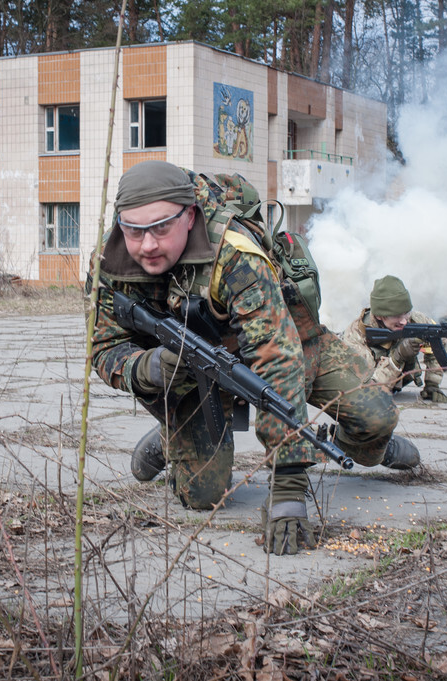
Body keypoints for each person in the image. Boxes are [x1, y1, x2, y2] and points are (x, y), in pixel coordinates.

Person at [89, 161, 420, 556]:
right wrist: (151, 368)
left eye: (161, 227)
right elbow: (105, 347)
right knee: (201, 496)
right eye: (133, 230)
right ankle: (170, 437)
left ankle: (375, 449)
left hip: (292, 339)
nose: (147, 245)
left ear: (189, 214)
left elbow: (277, 358)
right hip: (194, 370)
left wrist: (288, 488)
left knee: (376, 420)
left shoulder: (234, 253)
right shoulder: (109, 264)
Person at [341, 275, 447, 403]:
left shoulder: (415, 319)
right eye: (397, 316)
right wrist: (397, 357)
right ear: (380, 316)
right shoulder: (355, 337)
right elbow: (367, 389)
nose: (404, 321)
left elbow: (437, 342)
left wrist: (433, 384)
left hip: (397, 382)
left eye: (407, 312)